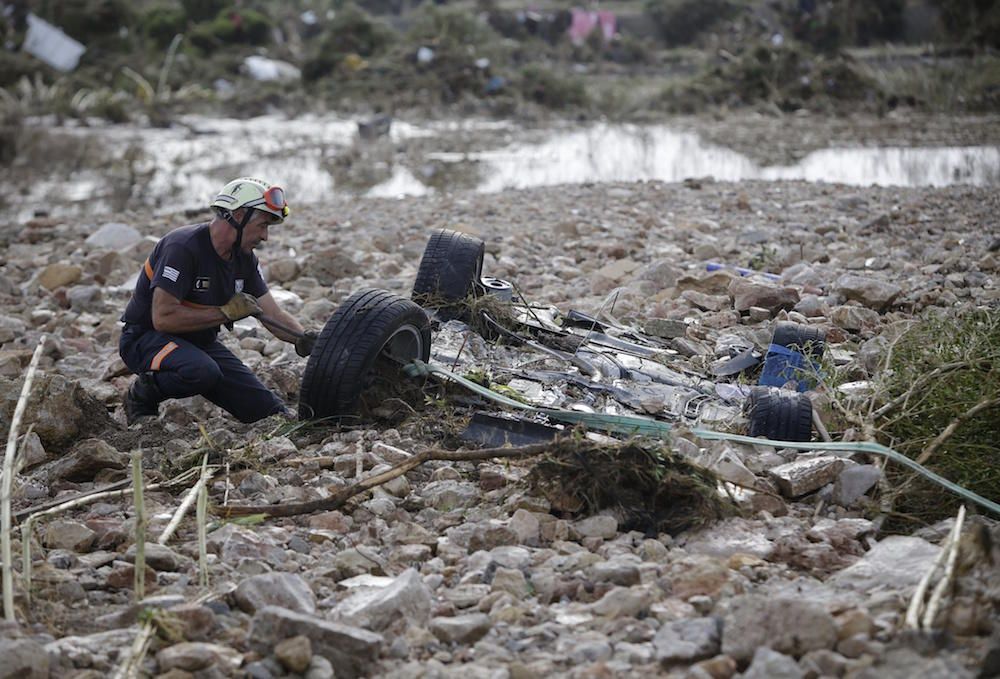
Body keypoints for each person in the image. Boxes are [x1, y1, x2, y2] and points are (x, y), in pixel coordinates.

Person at [119, 177, 318, 425]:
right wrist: (225, 313)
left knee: (270, 414)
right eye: (262, 225)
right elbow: (163, 319)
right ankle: (141, 394)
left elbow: (274, 315)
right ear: (238, 215)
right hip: (146, 339)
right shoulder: (183, 247)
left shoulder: (244, 258)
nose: (265, 236)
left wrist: (307, 340)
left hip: (199, 342)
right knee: (202, 371)